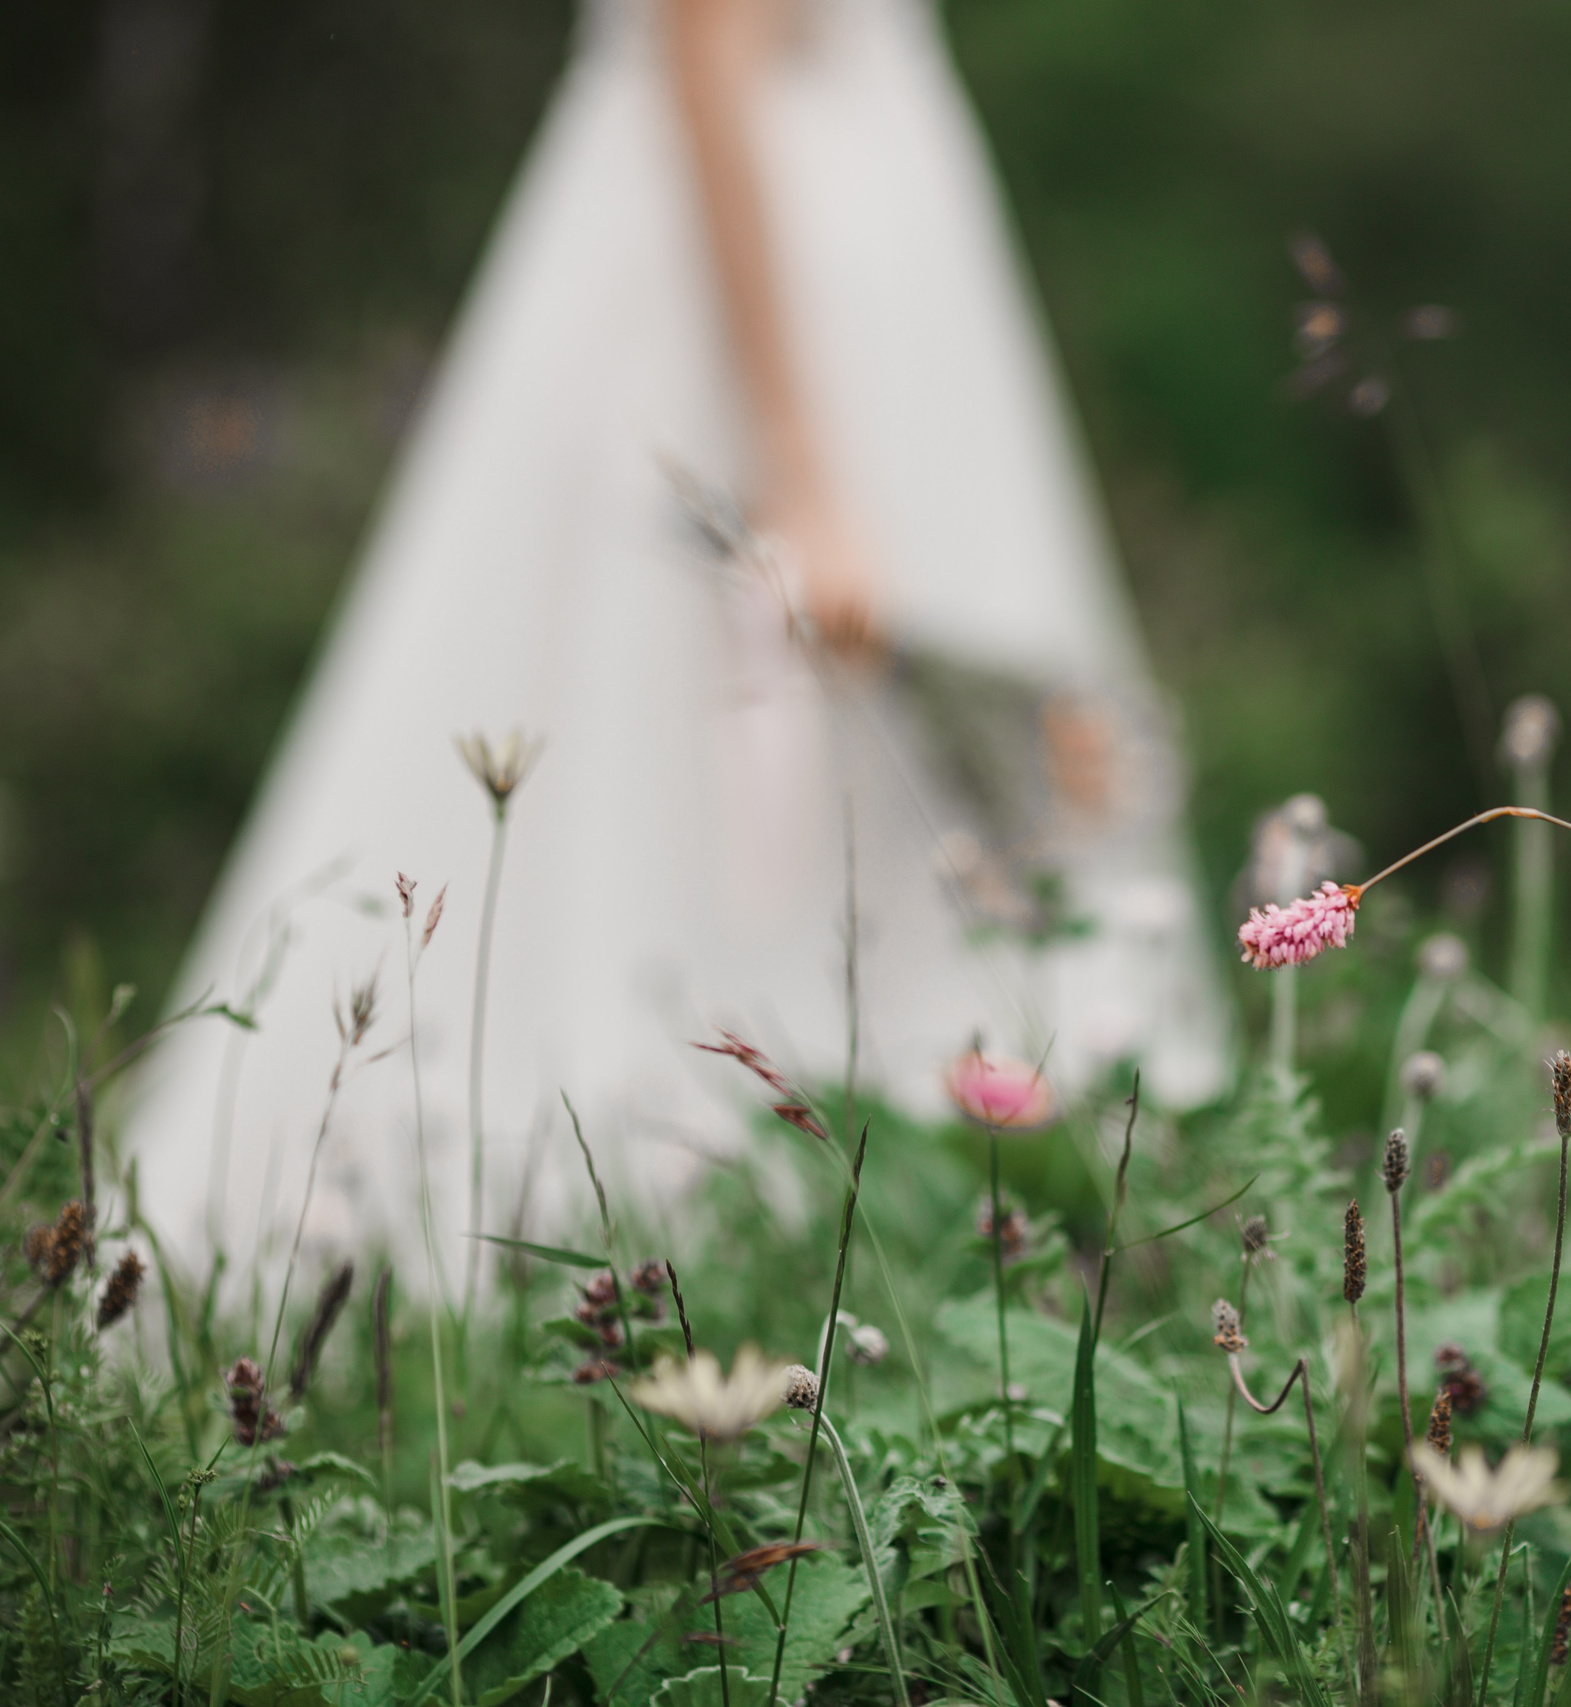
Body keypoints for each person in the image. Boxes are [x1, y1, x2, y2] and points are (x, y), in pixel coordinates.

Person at [114, 0, 1229, 1304]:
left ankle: (892, 1241)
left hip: (874, 283)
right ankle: (647, 1251)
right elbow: (709, 41)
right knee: (662, 771)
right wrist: (801, 471)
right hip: (747, 301)